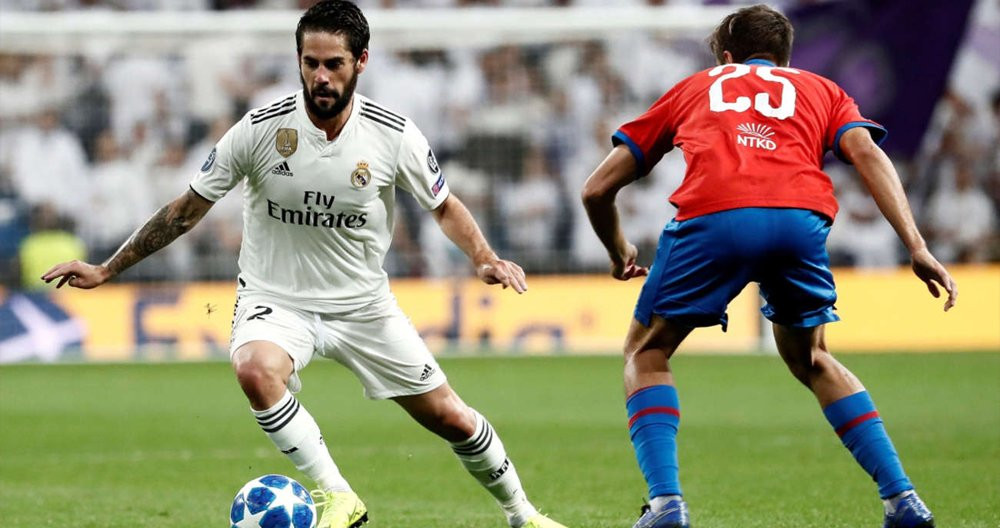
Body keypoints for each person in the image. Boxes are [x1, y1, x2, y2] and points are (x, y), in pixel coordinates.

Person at [41, 3, 566, 528]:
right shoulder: (259, 130)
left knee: (451, 417)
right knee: (254, 369)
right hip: (277, 298)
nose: (321, 75)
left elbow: (444, 205)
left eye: (334, 63)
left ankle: (523, 515)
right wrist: (108, 269)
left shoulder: (393, 134)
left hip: (364, 306)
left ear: (361, 61)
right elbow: (184, 211)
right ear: (298, 61)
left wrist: (484, 258)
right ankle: (339, 496)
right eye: (310, 62)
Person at [580, 5, 955, 528]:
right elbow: (867, 153)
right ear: (783, 58)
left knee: (648, 351)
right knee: (814, 359)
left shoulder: (696, 86)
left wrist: (618, 248)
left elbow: (596, 188)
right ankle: (903, 500)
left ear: (727, 57)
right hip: (798, 223)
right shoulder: (823, 90)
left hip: (716, 219)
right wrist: (916, 245)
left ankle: (666, 505)